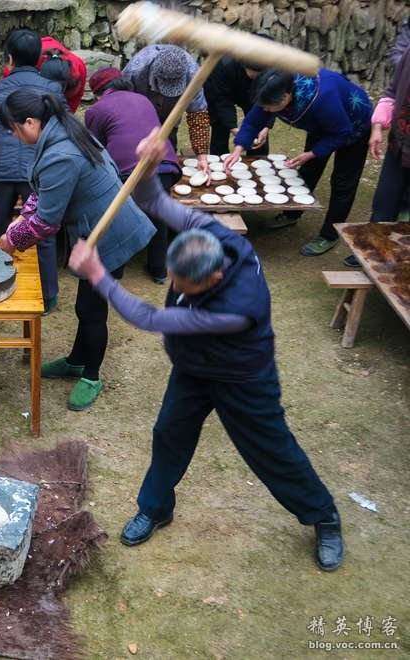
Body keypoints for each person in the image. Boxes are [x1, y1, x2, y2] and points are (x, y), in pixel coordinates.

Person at [68, 131, 344, 571]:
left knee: (270, 449)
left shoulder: (235, 308)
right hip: (193, 368)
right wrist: (150, 165)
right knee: (169, 435)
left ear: (213, 279)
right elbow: (157, 204)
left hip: (242, 376)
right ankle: (156, 508)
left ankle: (323, 516)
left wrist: (99, 274)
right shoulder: (210, 232)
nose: (174, 288)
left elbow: (151, 319)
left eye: (184, 285)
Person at [0, 88, 155, 411]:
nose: (14, 136)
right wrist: (21, 218)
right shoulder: (62, 128)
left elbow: (46, 223)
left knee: (93, 309)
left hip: (110, 232)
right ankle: (76, 360)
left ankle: (91, 374)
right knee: (86, 305)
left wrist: (12, 241)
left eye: (13, 129)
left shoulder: (61, 154)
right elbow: (44, 194)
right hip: (93, 228)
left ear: (29, 122)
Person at [225, 68, 372, 257]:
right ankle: (292, 214)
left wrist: (313, 152)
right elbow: (255, 120)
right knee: (309, 171)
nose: (267, 111)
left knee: (343, 182)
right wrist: (239, 148)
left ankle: (329, 234)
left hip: (354, 124)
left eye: (270, 107)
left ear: (286, 97)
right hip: (322, 124)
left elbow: (341, 132)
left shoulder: (320, 100)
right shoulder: (273, 89)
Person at [0, 28, 68, 312]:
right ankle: (48, 297)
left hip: (1, 169)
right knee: (44, 232)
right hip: (40, 169)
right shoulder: (53, 90)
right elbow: (63, 128)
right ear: (39, 58)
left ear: (9, 59)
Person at [85, 67, 181, 284]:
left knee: (119, 218)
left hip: (128, 171)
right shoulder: (143, 99)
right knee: (159, 215)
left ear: (98, 92)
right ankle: (159, 270)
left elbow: (94, 148)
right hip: (163, 163)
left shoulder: (97, 110)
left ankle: (116, 269)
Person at [343, 44, 410, 266]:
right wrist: (378, 126)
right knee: (383, 203)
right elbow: (393, 91)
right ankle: (371, 251)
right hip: (398, 146)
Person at [123, 44, 212, 175]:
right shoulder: (136, 69)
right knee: (138, 155)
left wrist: (202, 156)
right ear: (154, 75)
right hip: (140, 110)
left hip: (171, 114)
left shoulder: (193, 75)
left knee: (168, 152)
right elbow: (122, 101)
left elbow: (197, 115)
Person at [204, 55, 270, 156]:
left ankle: (258, 158)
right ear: (244, 65)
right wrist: (233, 127)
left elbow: (270, 100)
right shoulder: (222, 65)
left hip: (253, 93)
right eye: (255, 74)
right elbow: (222, 100)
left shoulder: (273, 69)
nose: (258, 76)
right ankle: (219, 160)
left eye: (261, 74)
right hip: (221, 90)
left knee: (259, 125)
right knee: (220, 127)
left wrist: (266, 126)